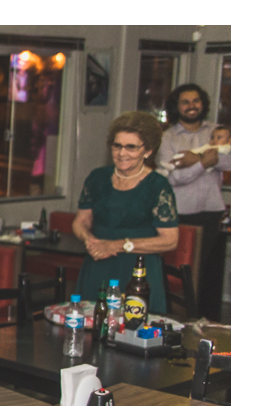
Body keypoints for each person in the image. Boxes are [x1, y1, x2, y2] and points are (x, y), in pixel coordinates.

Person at [73, 111, 178, 313]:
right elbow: (80, 221)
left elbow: (170, 240)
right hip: (98, 263)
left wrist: (119, 245)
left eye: (131, 147)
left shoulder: (158, 186)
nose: (122, 153)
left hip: (138, 271)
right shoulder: (97, 178)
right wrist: (89, 239)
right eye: (117, 145)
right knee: (91, 329)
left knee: (134, 333)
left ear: (147, 150)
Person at [156, 84, 231, 320]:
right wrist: (205, 162)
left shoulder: (216, 131)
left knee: (211, 274)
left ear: (203, 103)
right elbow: (174, 177)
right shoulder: (167, 137)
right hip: (180, 214)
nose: (191, 106)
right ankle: (181, 320)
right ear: (176, 107)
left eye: (195, 100)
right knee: (182, 274)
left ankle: (210, 325)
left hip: (212, 211)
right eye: (185, 102)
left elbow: (233, 162)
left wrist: (193, 159)